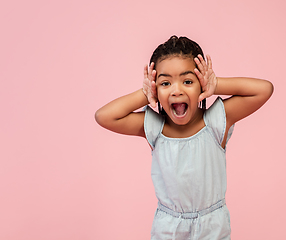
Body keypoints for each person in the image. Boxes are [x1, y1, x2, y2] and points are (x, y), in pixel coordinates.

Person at [95, 35, 273, 240]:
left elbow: (264, 89)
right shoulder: (155, 127)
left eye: (188, 81)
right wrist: (145, 94)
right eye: (165, 83)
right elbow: (104, 116)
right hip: (168, 228)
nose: (176, 90)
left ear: (201, 85)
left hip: (212, 227)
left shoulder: (215, 122)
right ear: (155, 88)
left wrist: (216, 85)